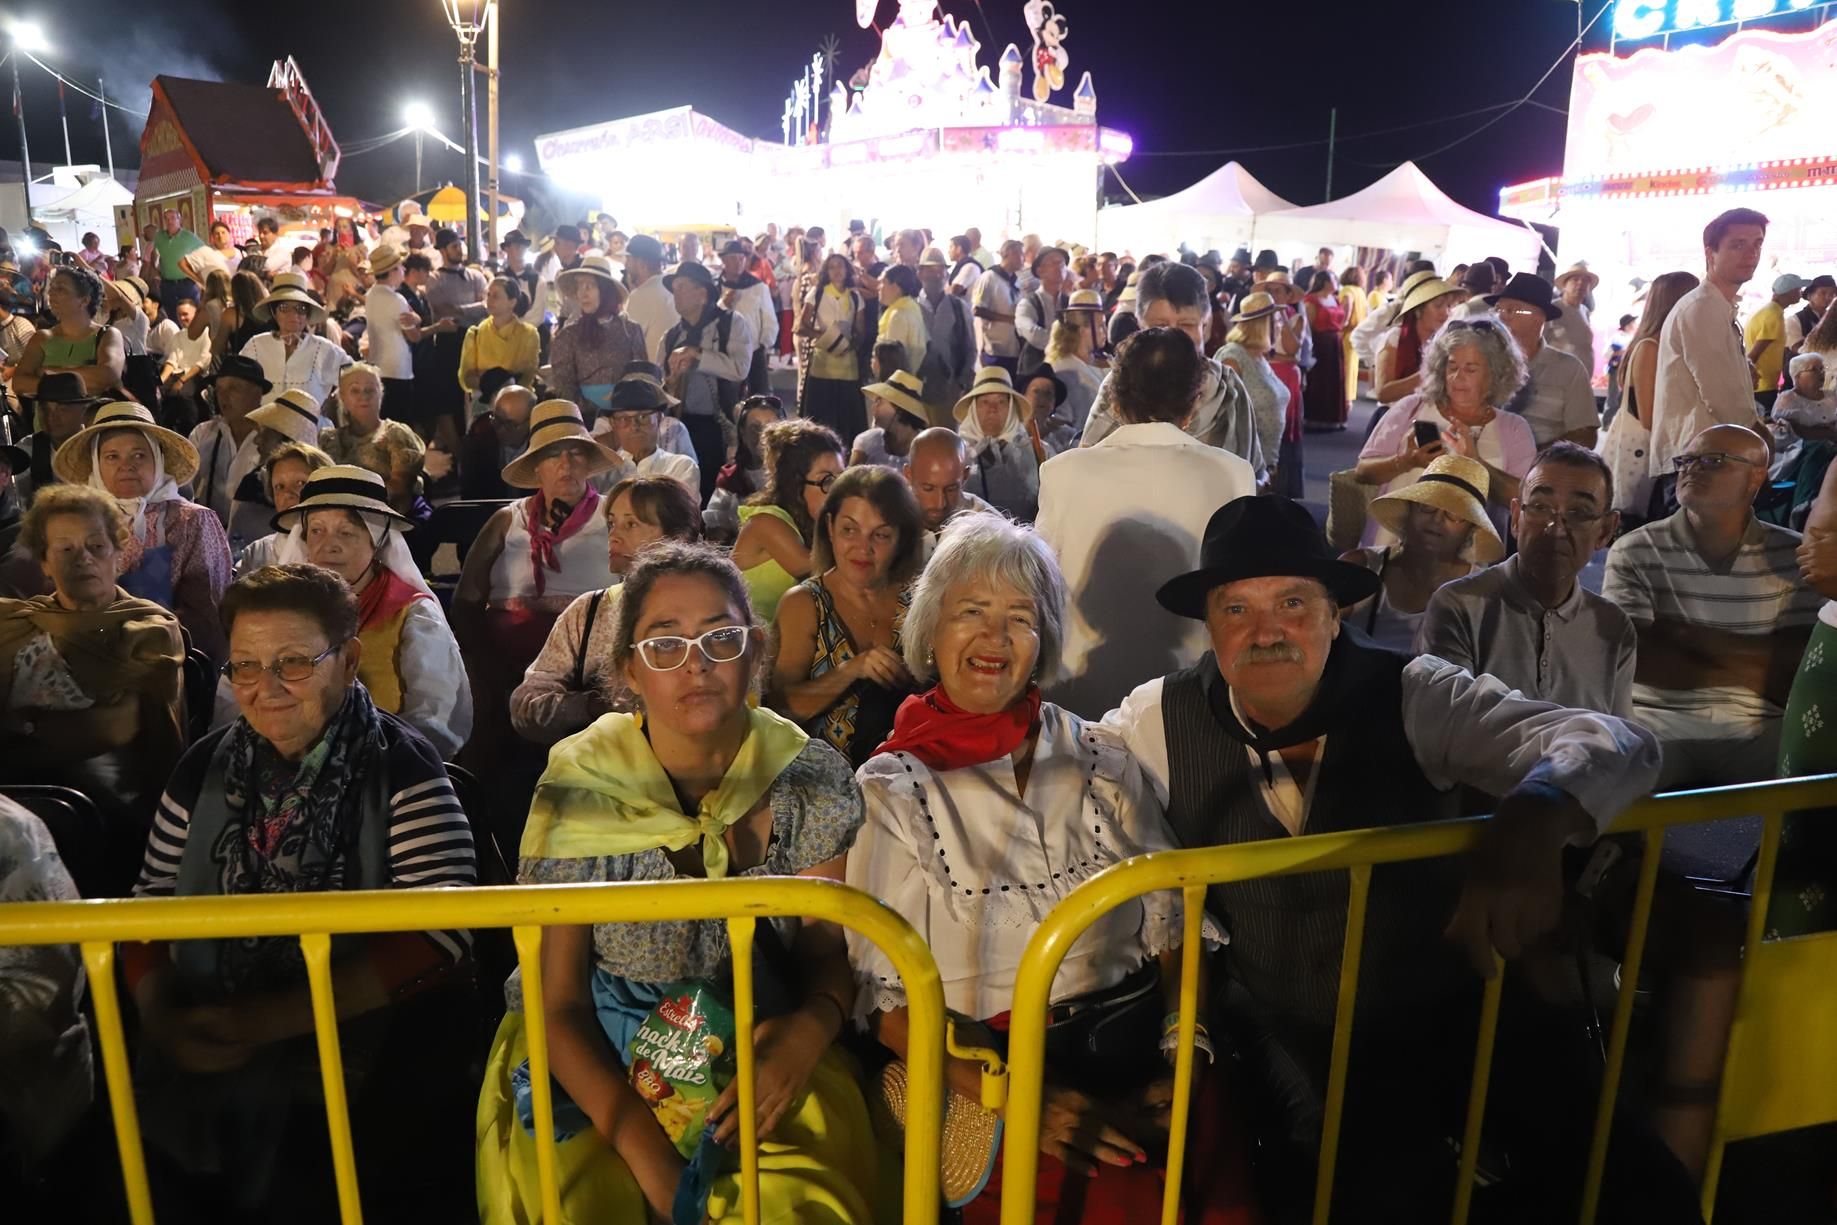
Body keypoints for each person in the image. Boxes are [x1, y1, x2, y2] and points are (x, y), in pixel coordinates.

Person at [1102, 495, 1691, 1225]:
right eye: (1235, 609)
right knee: (1353, 1191)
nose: (1266, 632)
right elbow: (1065, 771)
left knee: (1632, 1176)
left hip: (1445, 1007)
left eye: (1291, 602)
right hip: (1287, 1028)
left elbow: (1615, 739)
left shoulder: (1414, 692)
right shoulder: (1155, 718)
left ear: (1334, 612)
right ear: (1208, 625)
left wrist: (1537, 812)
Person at [847, 513, 1247, 1224]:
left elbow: (1173, 914)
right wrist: (1024, 1101)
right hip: (988, 1077)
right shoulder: (890, 788)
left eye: (1018, 617)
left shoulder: (1098, 754)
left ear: (1043, 641)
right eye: (971, 612)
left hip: (1143, 1047)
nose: (994, 637)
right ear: (931, 631)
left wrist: (1184, 1041)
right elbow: (882, 1002)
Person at [476, 541, 879, 1225]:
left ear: (753, 651)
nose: (696, 664)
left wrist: (808, 1032)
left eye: (720, 638)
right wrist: (649, 1156)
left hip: (756, 1040)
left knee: (798, 1204)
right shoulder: (583, 783)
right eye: (664, 644)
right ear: (628, 667)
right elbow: (560, 1000)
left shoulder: (804, 774)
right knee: (579, 1204)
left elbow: (824, 955)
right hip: (589, 1051)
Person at [127, 562, 478, 1222]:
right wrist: (165, 1016)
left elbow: (442, 934)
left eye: (292, 662)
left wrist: (264, 1021)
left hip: (370, 1059)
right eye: (247, 667)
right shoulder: (201, 764)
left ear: (348, 662)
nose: (266, 689)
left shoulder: (402, 765)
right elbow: (146, 904)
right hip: (205, 1039)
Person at [1038, 327, 1256, 719]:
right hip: (1194, 692)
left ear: (1115, 399)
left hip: (1081, 692)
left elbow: (1043, 588)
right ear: (1195, 401)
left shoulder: (1062, 473)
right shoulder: (1234, 474)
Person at [1605, 422, 1820, 788]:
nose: (1691, 469)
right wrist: (1760, 661)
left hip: (1761, 727)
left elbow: (1794, 671)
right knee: (1599, 772)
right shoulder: (1636, 549)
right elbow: (1637, 661)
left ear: (1756, 478)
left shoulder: (1792, 555)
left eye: (1713, 460)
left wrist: (1683, 639)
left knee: (1818, 783)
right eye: (1686, 460)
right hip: (1656, 722)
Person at [0, 485, 186, 858]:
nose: (82, 558)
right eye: (65, 549)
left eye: (96, 546)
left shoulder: (149, 629)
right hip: (12, 811)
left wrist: (18, 731)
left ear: (118, 554)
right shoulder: (15, 624)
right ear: (44, 562)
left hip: (117, 815)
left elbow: (111, 728)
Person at [270, 465, 472, 757]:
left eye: (347, 532)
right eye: (316, 531)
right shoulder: (281, 615)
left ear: (376, 542)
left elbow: (433, 722)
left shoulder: (412, 615)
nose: (330, 545)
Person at [1421, 443, 1633, 716]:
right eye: (1540, 507)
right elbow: (1445, 728)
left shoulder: (1613, 627)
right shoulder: (1461, 606)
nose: (1555, 529)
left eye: (1578, 513)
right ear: (1516, 518)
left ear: (1605, 530)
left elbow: (1622, 739)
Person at [510, 475, 703, 743]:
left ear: (678, 538)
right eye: (612, 523)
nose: (614, 535)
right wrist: (595, 706)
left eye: (631, 524)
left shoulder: (710, 613)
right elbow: (526, 705)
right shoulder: (588, 612)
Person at [53, 400, 231, 663]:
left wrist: (147, 646)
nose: (127, 466)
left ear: (157, 461)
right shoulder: (77, 522)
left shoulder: (193, 520)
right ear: (96, 464)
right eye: (112, 456)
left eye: (139, 455)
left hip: (172, 659)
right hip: (88, 657)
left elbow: (209, 613)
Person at [769, 466, 924, 768]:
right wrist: (852, 669)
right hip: (825, 789)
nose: (862, 548)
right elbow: (781, 709)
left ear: (901, 538)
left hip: (911, 782)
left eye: (880, 535)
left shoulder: (918, 600)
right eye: (849, 530)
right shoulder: (805, 603)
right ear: (829, 527)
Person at [1356, 315, 1536, 545]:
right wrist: (1406, 461)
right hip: (1391, 546)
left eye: (1470, 369)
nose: (1457, 377)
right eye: (1451, 367)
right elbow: (1363, 472)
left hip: (1471, 561)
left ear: (1496, 374)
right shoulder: (1412, 408)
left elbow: (1522, 499)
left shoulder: (1514, 429)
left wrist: (1474, 463)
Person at [1080, 263, 1266, 482]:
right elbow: (1089, 465)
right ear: (1140, 325)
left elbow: (1252, 472)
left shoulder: (1228, 388)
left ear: (1205, 325)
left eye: (1186, 325)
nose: (1174, 337)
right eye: (1160, 326)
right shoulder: (1121, 384)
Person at [1648, 207, 1768, 482]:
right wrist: (1759, 436)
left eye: (1757, 243)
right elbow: (1723, 396)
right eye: (1738, 244)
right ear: (1710, 252)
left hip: (1711, 455)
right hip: (1699, 461)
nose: (1751, 253)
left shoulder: (1718, 307)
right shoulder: (1701, 307)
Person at [1339, 454, 1498, 653]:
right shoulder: (1361, 566)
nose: (1438, 520)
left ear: (1471, 530)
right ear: (1409, 510)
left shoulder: (1482, 591)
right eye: (1428, 506)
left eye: (1455, 515)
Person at [1598, 271, 1699, 522]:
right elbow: (1649, 417)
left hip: (1663, 458)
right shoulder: (1651, 348)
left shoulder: (1671, 344)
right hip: (1648, 459)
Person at [732, 420, 844, 624]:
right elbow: (818, 571)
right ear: (795, 482)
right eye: (827, 480)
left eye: (841, 478)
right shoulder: (766, 522)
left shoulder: (810, 523)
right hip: (751, 643)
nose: (837, 491)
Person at [662, 260, 755, 501]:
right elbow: (662, 383)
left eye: (682, 287)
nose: (675, 294)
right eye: (674, 288)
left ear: (702, 294)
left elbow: (740, 368)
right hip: (682, 425)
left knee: (720, 491)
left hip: (721, 426)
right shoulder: (672, 335)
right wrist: (670, 382)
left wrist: (697, 354)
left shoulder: (731, 323)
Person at [1487, 272, 1599, 449]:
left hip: (1541, 471)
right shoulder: (1482, 361)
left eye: (1510, 310)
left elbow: (1585, 435)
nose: (1501, 317)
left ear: (1538, 318)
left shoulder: (1569, 369)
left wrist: (1530, 457)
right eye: (1497, 310)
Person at [319, 363, 427, 519]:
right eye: (355, 390)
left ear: (380, 394)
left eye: (370, 390)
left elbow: (399, 487)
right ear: (342, 397)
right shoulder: (329, 439)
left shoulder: (395, 434)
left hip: (391, 520)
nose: (363, 396)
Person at [12, 265, 126, 408]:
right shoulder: (42, 337)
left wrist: (46, 373)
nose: (51, 293)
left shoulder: (106, 335)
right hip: (48, 424)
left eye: (61, 289)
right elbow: (19, 383)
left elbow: (107, 375)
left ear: (84, 300)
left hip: (93, 423)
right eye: (51, 287)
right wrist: (83, 378)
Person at [550, 254, 648, 419]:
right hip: (584, 420)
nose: (583, 293)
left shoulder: (630, 330)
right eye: (580, 286)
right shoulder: (568, 336)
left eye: (590, 286)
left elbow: (641, 377)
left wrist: (621, 409)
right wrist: (594, 412)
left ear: (605, 291)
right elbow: (564, 386)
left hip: (627, 416)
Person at [239, 271, 352, 409]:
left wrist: (334, 405)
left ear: (307, 314)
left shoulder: (323, 349)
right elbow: (238, 384)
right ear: (274, 312)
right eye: (284, 308)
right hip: (264, 428)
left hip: (313, 429)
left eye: (301, 309)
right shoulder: (256, 346)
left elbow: (356, 377)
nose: (293, 315)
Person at [187, 353, 272, 535]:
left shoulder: (271, 439)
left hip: (256, 538)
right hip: (208, 534)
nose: (223, 396)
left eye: (233, 388)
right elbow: (184, 485)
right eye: (219, 389)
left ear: (257, 393)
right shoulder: (203, 433)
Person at [422, 228, 490, 451]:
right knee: (449, 397)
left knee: (475, 392)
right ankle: (458, 452)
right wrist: (472, 309)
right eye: (454, 246)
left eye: (460, 244)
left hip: (476, 340)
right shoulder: (434, 278)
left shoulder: (476, 276)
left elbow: (486, 306)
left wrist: (459, 310)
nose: (460, 249)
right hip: (448, 343)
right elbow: (442, 311)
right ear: (442, 250)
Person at [1217, 292, 1291, 494]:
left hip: (1267, 460)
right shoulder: (1233, 356)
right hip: (1245, 465)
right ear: (1261, 324)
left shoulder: (1258, 356)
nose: (1279, 324)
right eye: (1275, 319)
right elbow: (1224, 417)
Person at [796, 252, 869, 446]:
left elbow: (861, 331)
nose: (837, 271)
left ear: (847, 270)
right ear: (826, 272)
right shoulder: (817, 294)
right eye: (832, 267)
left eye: (840, 266)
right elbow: (800, 326)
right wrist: (824, 337)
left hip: (848, 366)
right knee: (821, 416)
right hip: (822, 364)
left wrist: (850, 343)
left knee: (846, 416)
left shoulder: (855, 297)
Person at [235, 440, 332, 577]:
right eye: (279, 487)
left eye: (300, 483)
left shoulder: (339, 550)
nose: (287, 494)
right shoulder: (258, 553)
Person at [956, 365, 1040, 521]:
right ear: (974, 408)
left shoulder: (1036, 450)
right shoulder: (957, 453)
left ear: (1011, 407)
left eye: (1001, 402)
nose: (992, 409)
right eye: (985, 402)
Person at [1372, 273, 1461, 409]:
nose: (1446, 312)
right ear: (1419, 310)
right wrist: (1429, 373)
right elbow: (1383, 393)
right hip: (1394, 417)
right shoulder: (1395, 339)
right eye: (1438, 306)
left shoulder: (1443, 341)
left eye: (1449, 306)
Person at [599, 378, 701, 497]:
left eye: (643, 417)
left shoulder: (680, 466)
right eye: (623, 419)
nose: (634, 426)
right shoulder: (602, 471)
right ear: (613, 424)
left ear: (658, 418)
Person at [705, 394, 788, 539]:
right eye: (755, 428)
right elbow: (716, 532)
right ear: (742, 433)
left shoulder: (797, 475)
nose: (762, 435)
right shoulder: (731, 479)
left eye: (771, 427)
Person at [11, 372, 101, 506]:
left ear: (84, 410)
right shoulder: (27, 449)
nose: (51, 417)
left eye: (62, 409)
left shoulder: (100, 448)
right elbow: (15, 502)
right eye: (44, 409)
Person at [908, 427, 993, 556]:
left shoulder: (986, 528)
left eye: (951, 489)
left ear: (965, 476)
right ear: (908, 475)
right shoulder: (889, 518)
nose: (940, 503)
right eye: (928, 489)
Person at [914, 246, 977, 412]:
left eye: (940, 270)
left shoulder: (959, 307)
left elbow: (970, 348)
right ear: (919, 274)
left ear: (946, 274)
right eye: (930, 270)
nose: (936, 276)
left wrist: (963, 382)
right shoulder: (911, 307)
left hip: (950, 388)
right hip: (915, 388)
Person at [459, 275, 540, 398]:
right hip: (483, 401)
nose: (489, 300)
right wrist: (495, 382)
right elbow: (466, 377)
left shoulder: (528, 334)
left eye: (496, 296)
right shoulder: (476, 333)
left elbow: (526, 375)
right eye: (488, 295)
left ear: (512, 302)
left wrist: (485, 376)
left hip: (516, 401)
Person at [717, 239, 778, 395]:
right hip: (724, 353)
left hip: (754, 351)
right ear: (724, 260)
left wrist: (764, 345)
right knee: (727, 397)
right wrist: (723, 304)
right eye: (732, 258)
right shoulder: (715, 287)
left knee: (758, 397)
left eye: (741, 258)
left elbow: (769, 320)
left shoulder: (758, 287)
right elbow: (710, 318)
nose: (738, 262)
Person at [459, 380, 536, 501]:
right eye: (497, 420)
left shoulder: (544, 442)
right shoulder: (480, 435)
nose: (500, 429)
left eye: (509, 425)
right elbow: (470, 495)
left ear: (531, 421)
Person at [851, 369, 930, 474]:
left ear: (900, 410)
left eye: (879, 401)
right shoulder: (868, 442)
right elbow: (846, 483)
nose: (874, 406)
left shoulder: (926, 447)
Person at [1746, 272, 1805, 412]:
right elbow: (1754, 354)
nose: (1801, 293)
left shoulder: (1767, 311)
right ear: (1788, 292)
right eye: (1798, 290)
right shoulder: (1773, 315)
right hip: (1763, 385)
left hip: (1762, 383)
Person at [1300, 268, 1348, 431]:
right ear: (1326, 282)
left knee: (1335, 380)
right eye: (1334, 280)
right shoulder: (1311, 300)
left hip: (1335, 342)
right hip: (1320, 343)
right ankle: (1315, 416)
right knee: (1320, 380)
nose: (1336, 283)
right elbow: (1309, 325)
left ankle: (1334, 417)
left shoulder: (1335, 299)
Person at [620, 234, 675, 364]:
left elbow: (624, 344)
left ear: (642, 264)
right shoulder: (672, 287)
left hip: (652, 378)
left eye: (629, 260)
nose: (626, 265)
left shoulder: (640, 296)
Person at [972, 240, 1026, 373]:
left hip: (1014, 347)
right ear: (1008, 254)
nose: (1023, 259)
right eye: (1020, 254)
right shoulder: (989, 278)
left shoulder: (1017, 282)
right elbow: (977, 309)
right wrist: (1008, 319)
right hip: (995, 348)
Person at [1014, 246, 1068, 371]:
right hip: (1035, 370)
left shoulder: (1070, 302)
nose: (1059, 266)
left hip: (1066, 370)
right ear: (1039, 271)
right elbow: (1033, 334)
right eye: (1053, 263)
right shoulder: (1027, 303)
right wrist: (1067, 346)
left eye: (1062, 263)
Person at [874, 263, 928, 378]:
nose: (878, 288)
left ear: (895, 287)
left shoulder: (898, 316)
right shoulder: (911, 306)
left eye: (882, 283)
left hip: (897, 386)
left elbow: (892, 364)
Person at [150, 209, 205, 320]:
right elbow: (154, 253)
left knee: (192, 315)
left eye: (173, 218)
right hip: (167, 284)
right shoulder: (159, 237)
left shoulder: (189, 237)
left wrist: (199, 277)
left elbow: (204, 252)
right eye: (167, 218)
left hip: (187, 283)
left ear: (179, 220)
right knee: (172, 316)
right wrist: (155, 269)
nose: (170, 221)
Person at [1547, 263, 1598, 371]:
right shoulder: (1552, 308)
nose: (1580, 283)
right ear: (1564, 286)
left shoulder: (1585, 311)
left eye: (1585, 281)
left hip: (1580, 377)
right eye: (1575, 279)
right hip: (1556, 375)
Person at [1774, 352, 1835, 441]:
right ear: (1797, 376)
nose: (1821, 373)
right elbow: (1786, 433)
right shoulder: (1787, 399)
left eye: (1822, 368)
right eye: (1814, 369)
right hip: (1805, 450)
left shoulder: (1831, 396)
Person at [1786, 273, 1835, 353]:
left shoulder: (1833, 319)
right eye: (1823, 293)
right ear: (1809, 295)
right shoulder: (1794, 320)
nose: (1828, 297)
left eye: (1832, 294)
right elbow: (1798, 349)